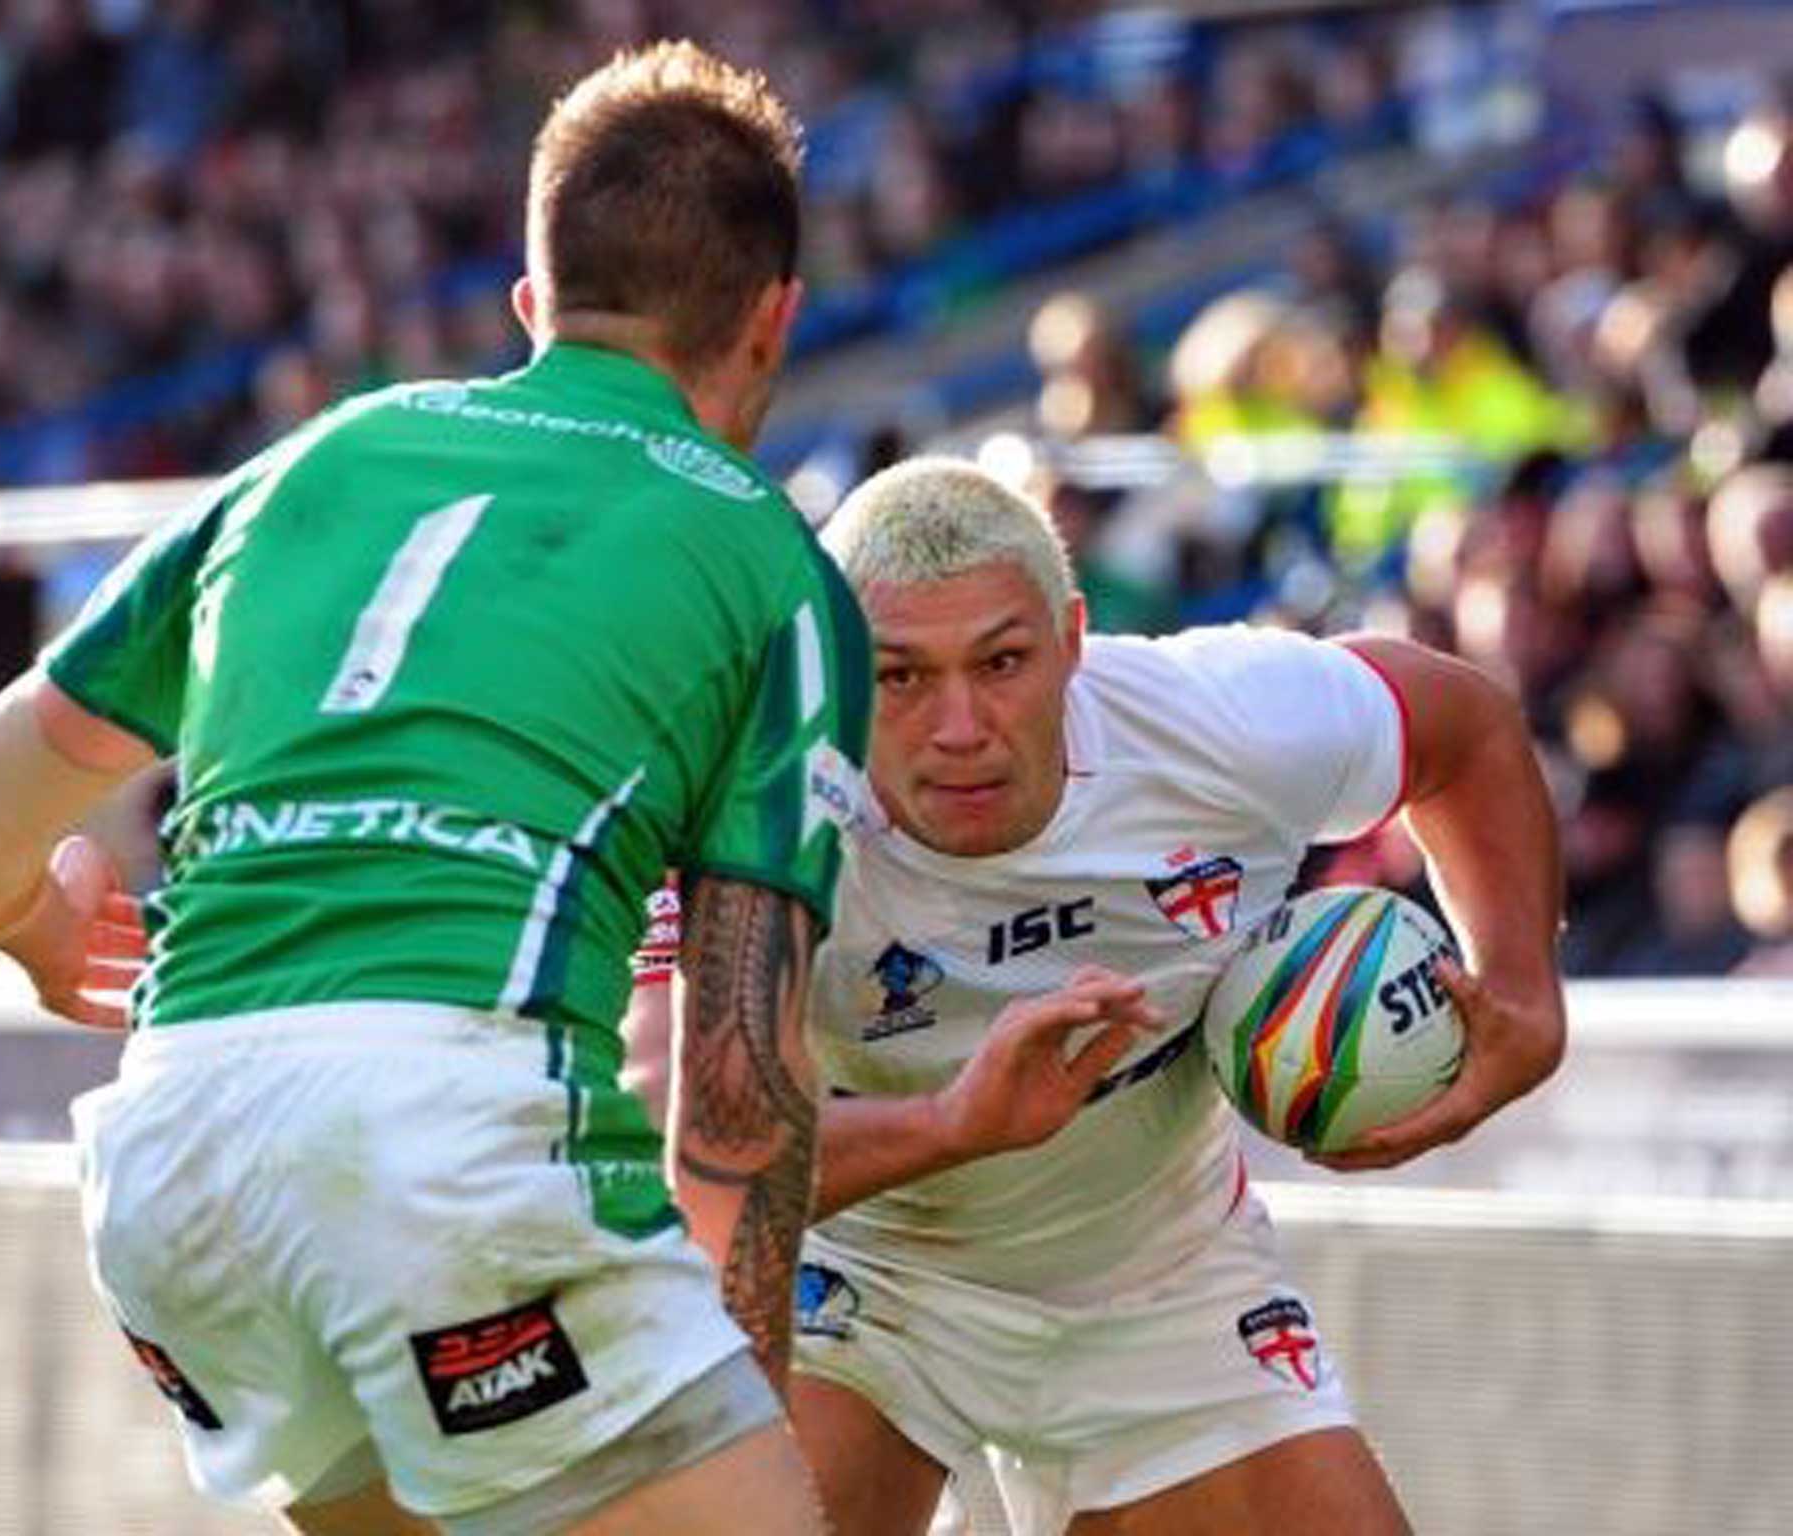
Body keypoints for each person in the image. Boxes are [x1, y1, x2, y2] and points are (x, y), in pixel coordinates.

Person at [0, 42, 873, 1536]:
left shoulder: (313, 462)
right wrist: (724, 1397)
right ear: (774, 319)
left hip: (174, 1163)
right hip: (447, 1148)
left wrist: (35, 926)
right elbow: (741, 1088)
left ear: (532, 307)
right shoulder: (770, 559)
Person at [629, 457, 1566, 1534]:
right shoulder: (753, 803)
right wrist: (951, 1125)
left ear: (1073, 637)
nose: (960, 725)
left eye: (1003, 661)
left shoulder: (1220, 724)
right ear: (838, 669)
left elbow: (1463, 725)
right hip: (863, 1274)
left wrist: (1525, 999)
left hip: (1159, 1281)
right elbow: (684, 1147)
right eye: (899, 677)